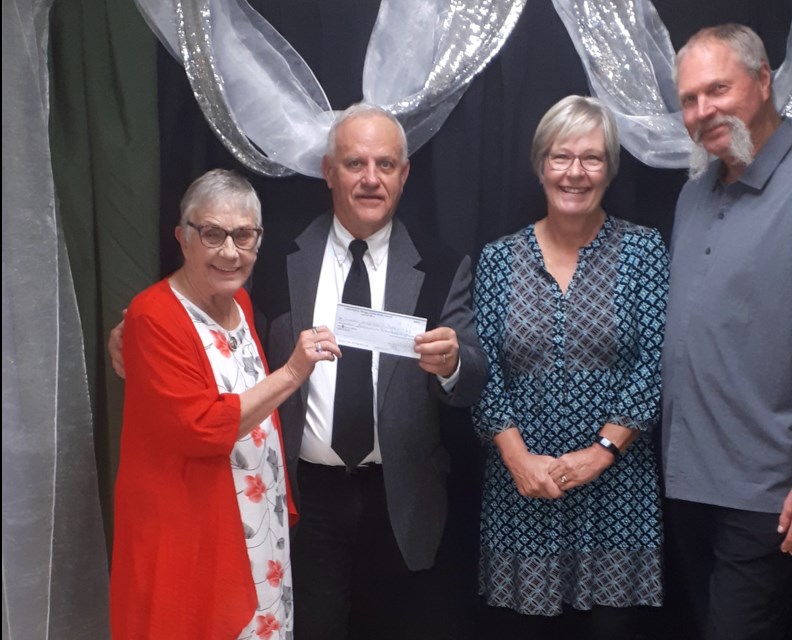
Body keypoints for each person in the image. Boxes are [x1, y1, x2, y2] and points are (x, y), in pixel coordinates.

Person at [661, 24, 792, 639]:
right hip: (687, 480)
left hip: (766, 496)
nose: (703, 112)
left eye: (717, 90)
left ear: (762, 81)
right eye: (689, 100)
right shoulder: (694, 194)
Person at [253, 103, 488, 639]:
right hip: (303, 498)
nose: (371, 179)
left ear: (404, 176)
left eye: (385, 165)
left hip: (400, 497)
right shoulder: (277, 257)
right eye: (355, 164)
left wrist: (453, 363)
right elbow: (228, 330)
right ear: (328, 173)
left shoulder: (442, 261)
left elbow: (472, 377)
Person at [110, 169, 340, 638]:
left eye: (243, 236)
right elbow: (202, 427)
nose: (230, 252)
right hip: (194, 532)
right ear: (183, 237)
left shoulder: (239, 305)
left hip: (255, 526)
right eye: (213, 234)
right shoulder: (153, 315)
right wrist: (293, 372)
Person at [472, 95, 669, 640]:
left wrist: (601, 452)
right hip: (523, 492)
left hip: (617, 492)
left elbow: (654, 364)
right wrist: (519, 460)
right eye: (561, 157)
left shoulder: (643, 250)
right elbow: (480, 372)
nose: (575, 173)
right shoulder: (499, 258)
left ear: (610, 169)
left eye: (592, 158)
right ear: (541, 165)